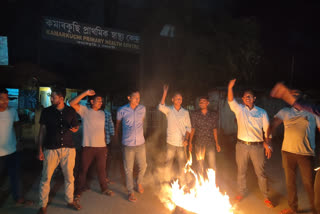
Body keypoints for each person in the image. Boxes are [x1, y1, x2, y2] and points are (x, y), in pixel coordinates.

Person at [271, 82, 320, 214]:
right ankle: (293, 208)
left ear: (302, 97)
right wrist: (267, 138)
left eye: (296, 94)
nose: (293, 97)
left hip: (306, 153)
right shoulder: (285, 112)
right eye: (291, 95)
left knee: (310, 185)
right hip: (287, 152)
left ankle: (315, 210)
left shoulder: (312, 112)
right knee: (290, 183)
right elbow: (273, 124)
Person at [227, 79, 274, 208]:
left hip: (257, 147)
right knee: (241, 171)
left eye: (249, 96)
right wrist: (230, 87)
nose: (247, 98)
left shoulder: (262, 112)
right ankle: (241, 192)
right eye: (245, 97)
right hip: (241, 146)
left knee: (261, 173)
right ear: (242, 99)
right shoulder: (239, 110)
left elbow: (267, 130)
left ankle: (266, 196)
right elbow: (230, 100)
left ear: (254, 98)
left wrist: (267, 144)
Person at [38, 87, 80, 214]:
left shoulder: (70, 111)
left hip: (68, 149)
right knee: (46, 178)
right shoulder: (46, 112)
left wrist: (75, 129)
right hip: (51, 148)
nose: (51, 99)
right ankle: (43, 205)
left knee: (69, 177)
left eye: (53, 97)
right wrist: (39, 149)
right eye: (51, 96)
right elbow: (42, 131)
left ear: (61, 98)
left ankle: (70, 200)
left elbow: (76, 126)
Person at [70, 90, 114, 202]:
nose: (100, 102)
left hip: (101, 147)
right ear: (91, 101)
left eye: (101, 101)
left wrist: (105, 145)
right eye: (98, 100)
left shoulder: (103, 113)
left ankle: (104, 188)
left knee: (102, 170)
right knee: (83, 170)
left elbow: (103, 130)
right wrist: (85, 93)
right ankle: (78, 191)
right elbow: (71, 103)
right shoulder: (85, 111)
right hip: (88, 146)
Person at [0, 88, 32, 206]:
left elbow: (17, 125)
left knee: (16, 176)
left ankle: (18, 197)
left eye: (6, 98)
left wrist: (19, 140)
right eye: (1, 99)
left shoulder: (12, 111)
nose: (5, 101)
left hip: (12, 150)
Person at [115, 89, 147, 202]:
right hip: (127, 144)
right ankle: (130, 192)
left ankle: (139, 183)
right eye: (135, 97)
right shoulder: (122, 110)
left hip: (140, 143)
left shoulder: (142, 109)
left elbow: (141, 122)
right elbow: (118, 125)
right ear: (129, 98)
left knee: (143, 166)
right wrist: (116, 137)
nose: (138, 99)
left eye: (139, 97)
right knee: (128, 169)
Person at [158, 85, 191, 184]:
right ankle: (166, 181)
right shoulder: (169, 110)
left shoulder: (185, 112)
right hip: (171, 142)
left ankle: (183, 182)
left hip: (181, 143)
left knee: (182, 164)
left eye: (180, 99)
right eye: (176, 98)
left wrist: (186, 139)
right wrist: (164, 93)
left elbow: (188, 128)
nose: (178, 100)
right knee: (168, 163)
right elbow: (160, 106)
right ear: (172, 100)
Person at [189, 96, 221, 175]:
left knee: (212, 164)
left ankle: (212, 182)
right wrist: (190, 142)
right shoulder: (195, 114)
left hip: (210, 143)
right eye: (200, 102)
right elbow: (193, 128)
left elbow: (214, 129)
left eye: (203, 101)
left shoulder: (213, 115)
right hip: (199, 143)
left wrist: (217, 143)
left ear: (207, 103)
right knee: (200, 165)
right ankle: (200, 183)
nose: (201, 103)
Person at [104, 107, 115, 184]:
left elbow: (111, 127)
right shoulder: (91, 113)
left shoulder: (107, 114)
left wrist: (113, 136)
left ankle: (105, 177)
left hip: (106, 141)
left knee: (107, 160)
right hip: (97, 142)